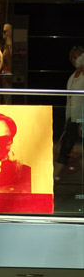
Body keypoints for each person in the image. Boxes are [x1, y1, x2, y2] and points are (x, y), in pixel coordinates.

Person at [54, 46, 84, 181]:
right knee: (66, 148)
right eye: (73, 57)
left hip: (80, 117)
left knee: (67, 149)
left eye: (77, 56)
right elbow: (69, 99)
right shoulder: (73, 77)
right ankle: (54, 177)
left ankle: (54, 177)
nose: (75, 60)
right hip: (73, 116)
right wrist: (67, 118)